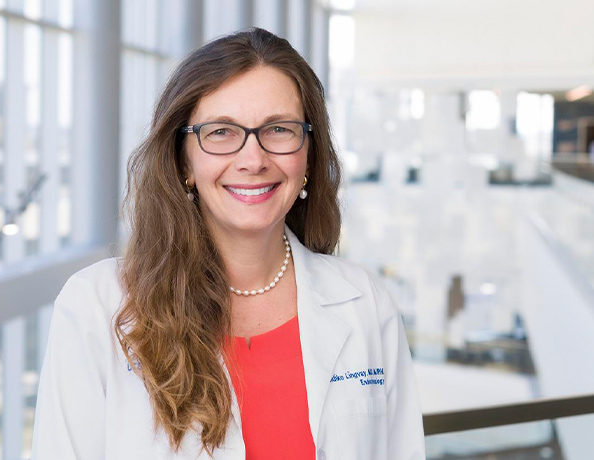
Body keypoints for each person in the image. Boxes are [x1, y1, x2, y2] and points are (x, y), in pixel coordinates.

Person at [31, 27, 425, 460]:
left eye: (278, 129)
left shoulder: (365, 302)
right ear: (184, 160)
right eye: (221, 132)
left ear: (308, 155)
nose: (253, 160)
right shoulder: (97, 306)